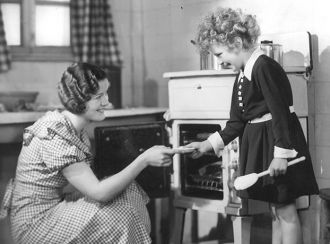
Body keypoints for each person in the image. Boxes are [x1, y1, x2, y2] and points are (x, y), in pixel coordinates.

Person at [0, 62, 178, 244]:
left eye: (106, 93)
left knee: (129, 191)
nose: (107, 102)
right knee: (121, 215)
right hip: (35, 226)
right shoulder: (54, 135)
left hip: (54, 208)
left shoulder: (73, 129)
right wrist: (143, 160)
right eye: (98, 96)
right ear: (78, 100)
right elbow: (99, 192)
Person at [185, 8, 319, 244]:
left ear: (236, 42)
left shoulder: (263, 66)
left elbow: (280, 113)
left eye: (220, 53)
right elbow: (236, 122)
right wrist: (208, 144)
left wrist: (281, 156)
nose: (220, 60)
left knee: (286, 210)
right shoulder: (242, 74)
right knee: (276, 210)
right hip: (262, 143)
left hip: (278, 144)